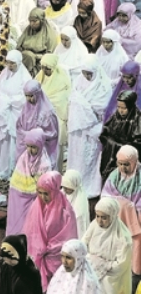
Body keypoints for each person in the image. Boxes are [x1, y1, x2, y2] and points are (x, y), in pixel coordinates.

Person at [23, 171, 78, 289]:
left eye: (46, 193)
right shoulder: (36, 207)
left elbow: (68, 238)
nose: (43, 197)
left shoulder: (65, 211)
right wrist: (37, 249)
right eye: (40, 193)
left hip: (54, 258)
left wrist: (47, 249)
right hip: (36, 257)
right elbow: (30, 232)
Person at [68, 54, 113, 199]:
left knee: (90, 159)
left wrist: (83, 106)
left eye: (89, 73)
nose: (86, 76)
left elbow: (102, 106)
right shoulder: (78, 81)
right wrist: (83, 106)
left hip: (93, 127)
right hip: (78, 129)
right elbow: (73, 100)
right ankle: (74, 183)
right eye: (84, 72)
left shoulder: (103, 85)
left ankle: (89, 187)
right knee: (77, 157)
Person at [85, 197, 133, 294]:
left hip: (112, 284)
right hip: (94, 280)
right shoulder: (94, 225)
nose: (100, 221)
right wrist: (91, 260)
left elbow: (120, 265)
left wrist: (99, 264)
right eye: (97, 216)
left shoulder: (123, 237)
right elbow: (84, 243)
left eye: (104, 217)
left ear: (112, 216)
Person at [0, 50, 33, 179]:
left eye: (12, 63)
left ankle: (13, 168)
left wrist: (10, 101)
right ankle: (0, 166)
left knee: (14, 142)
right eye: (8, 62)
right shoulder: (4, 74)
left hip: (15, 113)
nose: (9, 66)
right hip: (3, 112)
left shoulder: (25, 77)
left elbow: (24, 96)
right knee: (2, 141)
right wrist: (4, 102)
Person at [6, 129, 53, 235]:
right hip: (19, 194)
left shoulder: (45, 163)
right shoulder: (24, 157)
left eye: (34, 147)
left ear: (40, 145)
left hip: (34, 196)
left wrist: (32, 189)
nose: (30, 150)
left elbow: (45, 185)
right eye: (28, 146)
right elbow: (16, 178)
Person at [99, 93, 141, 178]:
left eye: (124, 108)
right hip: (111, 157)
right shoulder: (115, 116)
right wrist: (111, 144)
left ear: (130, 106)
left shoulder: (138, 119)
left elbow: (137, 144)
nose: (120, 111)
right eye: (118, 107)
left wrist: (120, 148)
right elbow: (105, 133)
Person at [16, 8, 58, 76]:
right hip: (25, 61)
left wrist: (35, 56)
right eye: (30, 21)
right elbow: (18, 47)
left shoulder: (49, 35)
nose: (32, 24)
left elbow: (50, 56)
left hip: (40, 65)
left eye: (35, 21)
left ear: (41, 20)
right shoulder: (28, 30)